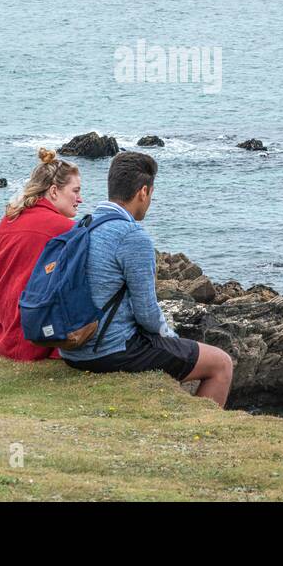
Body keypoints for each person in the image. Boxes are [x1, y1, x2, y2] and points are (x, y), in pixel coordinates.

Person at [60, 151, 234, 407]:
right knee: (221, 364)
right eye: (151, 193)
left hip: (72, 348)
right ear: (143, 192)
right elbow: (146, 313)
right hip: (109, 351)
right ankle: (198, 433)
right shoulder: (132, 236)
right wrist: (171, 337)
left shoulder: (84, 224)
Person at [0, 148, 81, 361]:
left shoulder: (8, 218)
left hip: (4, 326)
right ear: (54, 191)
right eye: (75, 191)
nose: (80, 199)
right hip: (38, 332)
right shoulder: (65, 229)